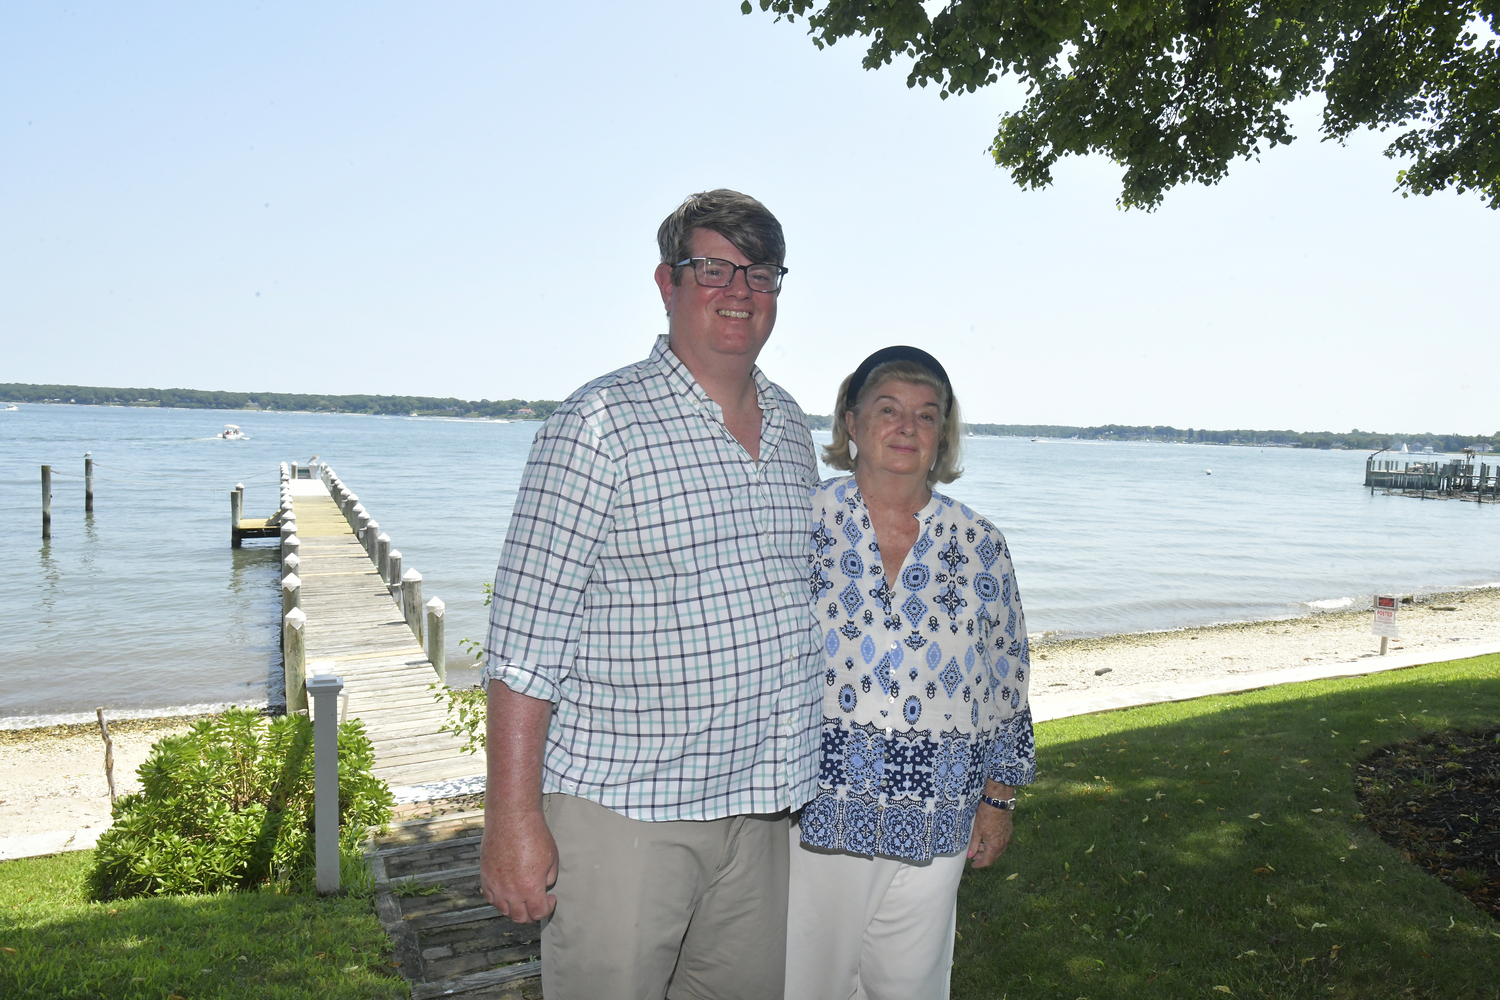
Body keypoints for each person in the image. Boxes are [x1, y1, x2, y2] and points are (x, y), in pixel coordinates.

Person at [478, 189, 822, 1000]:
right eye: (713, 269)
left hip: (764, 812)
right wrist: (511, 820)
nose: (739, 291)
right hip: (626, 812)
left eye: (761, 274)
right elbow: (524, 645)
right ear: (667, 284)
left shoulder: (792, 426)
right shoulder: (596, 425)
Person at [785, 346, 1036, 1000]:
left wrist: (999, 799)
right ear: (851, 421)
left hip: (940, 812)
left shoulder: (980, 542)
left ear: (942, 435)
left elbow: (1008, 679)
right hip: (813, 812)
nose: (906, 427)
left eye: (927, 416)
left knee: (912, 988)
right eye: (888, 410)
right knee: (804, 983)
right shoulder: (797, 523)